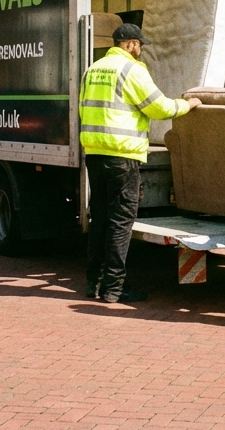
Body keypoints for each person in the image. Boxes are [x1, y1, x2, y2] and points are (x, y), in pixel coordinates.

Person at [80, 23, 200, 303]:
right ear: (130, 44)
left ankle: (93, 283)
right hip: (123, 156)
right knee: (121, 223)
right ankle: (114, 288)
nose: (140, 50)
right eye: (139, 45)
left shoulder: (92, 69)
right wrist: (188, 105)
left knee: (99, 220)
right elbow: (159, 107)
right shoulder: (131, 70)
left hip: (95, 155)